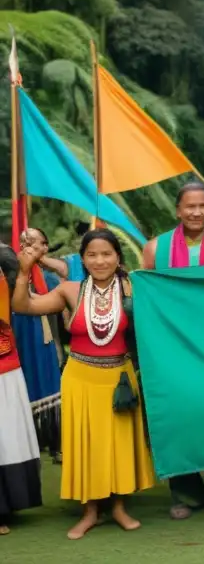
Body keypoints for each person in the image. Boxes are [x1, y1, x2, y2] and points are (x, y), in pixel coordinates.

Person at [12, 229, 154, 540]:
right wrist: (24, 270)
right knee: (86, 445)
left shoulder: (133, 289)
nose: (100, 260)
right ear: (82, 259)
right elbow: (24, 307)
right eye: (92, 255)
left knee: (117, 444)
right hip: (80, 379)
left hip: (120, 381)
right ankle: (89, 511)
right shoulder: (69, 290)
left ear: (118, 257)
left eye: (106, 254)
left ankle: (118, 507)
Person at [141, 181, 204, 520]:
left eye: (202, 206)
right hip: (174, 344)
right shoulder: (156, 248)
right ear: (178, 210)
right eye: (190, 206)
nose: (196, 212)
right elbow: (150, 296)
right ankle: (185, 493)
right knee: (180, 415)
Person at [10, 228, 63, 460]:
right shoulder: (10, 275)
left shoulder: (51, 276)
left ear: (45, 247)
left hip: (44, 334)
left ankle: (54, 440)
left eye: (34, 242)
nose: (27, 245)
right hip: (15, 335)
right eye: (24, 241)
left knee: (47, 378)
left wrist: (38, 260)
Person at [0, 243, 41, 536]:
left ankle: (5, 506)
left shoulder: (3, 258)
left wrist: (25, 268)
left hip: (2, 359)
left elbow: (17, 302)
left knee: (5, 433)